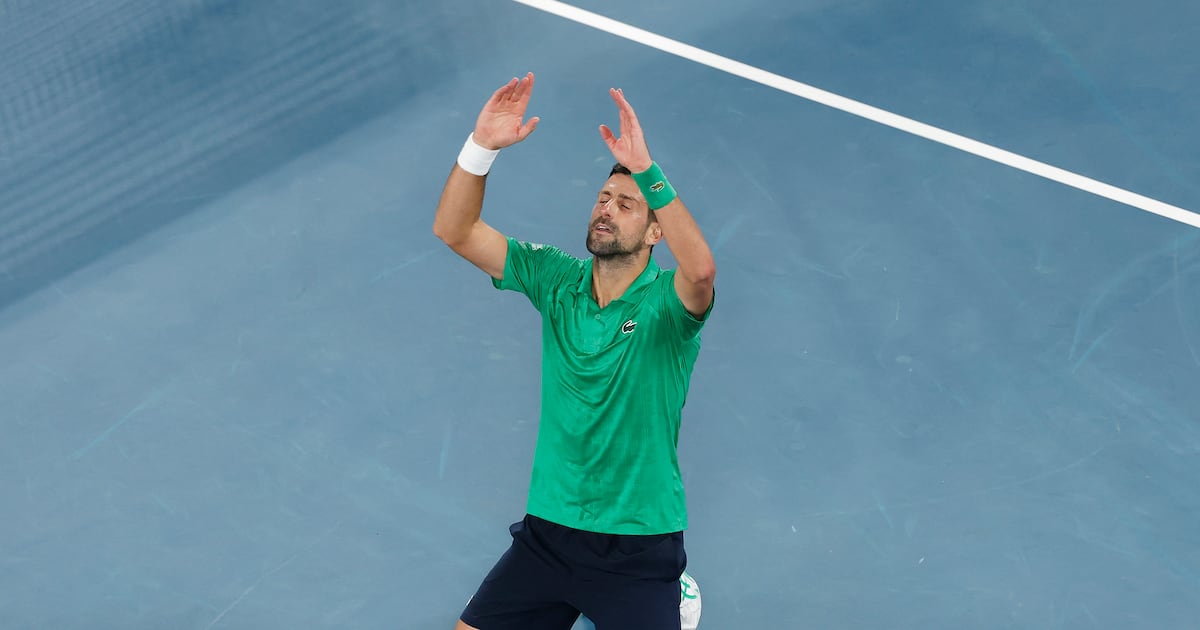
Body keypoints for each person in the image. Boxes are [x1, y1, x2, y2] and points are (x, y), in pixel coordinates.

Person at [433, 72, 715, 630]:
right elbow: (455, 230)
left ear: (656, 233)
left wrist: (648, 174)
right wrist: (481, 146)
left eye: (628, 205)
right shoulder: (555, 278)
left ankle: (674, 599)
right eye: (604, 197)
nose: (607, 208)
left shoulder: (668, 305)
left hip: (637, 545)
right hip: (551, 535)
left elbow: (701, 270)